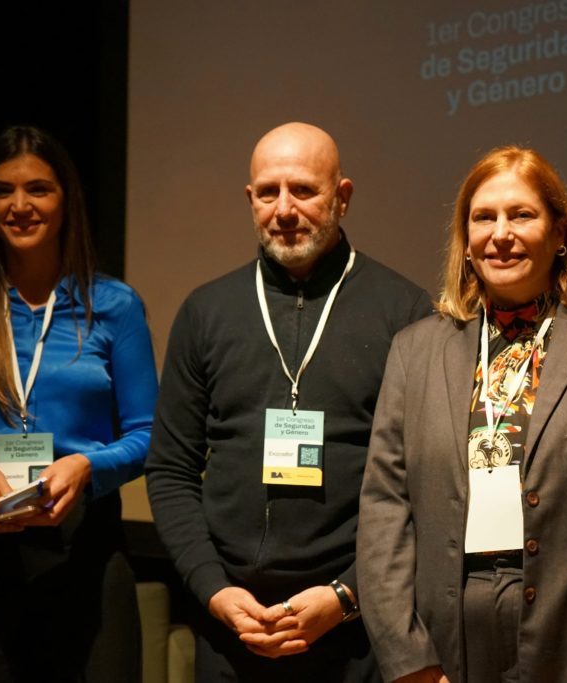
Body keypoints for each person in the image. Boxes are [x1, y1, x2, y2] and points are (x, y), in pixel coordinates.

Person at [358, 146, 567, 683]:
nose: (500, 234)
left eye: (521, 215)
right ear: (465, 240)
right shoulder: (413, 351)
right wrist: (409, 661)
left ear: (559, 234)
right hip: (445, 640)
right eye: (484, 217)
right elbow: (384, 512)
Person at [145, 121, 431, 681]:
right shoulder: (206, 311)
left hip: (354, 631)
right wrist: (213, 590)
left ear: (342, 197)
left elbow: (426, 486)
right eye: (267, 192)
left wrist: (347, 595)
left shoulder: (405, 313)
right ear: (249, 198)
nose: (283, 209)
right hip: (232, 627)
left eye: (303, 190)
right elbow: (171, 470)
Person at [0, 125, 158, 682]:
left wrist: (86, 466)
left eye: (38, 189)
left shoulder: (114, 305)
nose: (19, 206)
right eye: (2, 190)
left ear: (66, 198)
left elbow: (150, 434)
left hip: (83, 546)